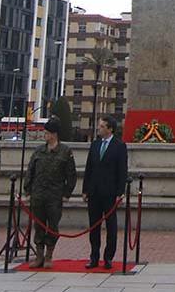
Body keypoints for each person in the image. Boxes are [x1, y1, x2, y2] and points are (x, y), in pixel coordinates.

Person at [26, 117, 77, 269]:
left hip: (55, 195)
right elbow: (31, 171)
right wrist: (27, 190)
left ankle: (49, 254)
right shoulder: (39, 151)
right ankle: (39, 255)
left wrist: (67, 193)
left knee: (53, 226)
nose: (45, 135)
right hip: (38, 194)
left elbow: (71, 175)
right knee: (39, 225)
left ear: (54, 134)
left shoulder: (65, 152)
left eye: (47, 133)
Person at [82, 115, 128, 270]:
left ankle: (108, 257)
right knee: (94, 226)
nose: (99, 128)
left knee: (111, 227)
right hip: (94, 192)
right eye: (99, 125)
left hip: (110, 193)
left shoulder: (119, 146)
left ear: (110, 129)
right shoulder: (95, 145)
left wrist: (120, 192)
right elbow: (89, 168)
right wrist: (85, 189)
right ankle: (94, 257)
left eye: (102, 126)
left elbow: (122, 171)